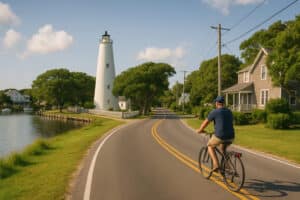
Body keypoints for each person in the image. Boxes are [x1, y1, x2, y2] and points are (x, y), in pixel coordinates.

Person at [196, 96, 235, 174]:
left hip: (220, 136)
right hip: (231, 136)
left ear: (217, 103)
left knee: (210, 146)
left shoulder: (215, 112)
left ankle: (216, 164)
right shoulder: (229, 111)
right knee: (223, 149)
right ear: (224, 103)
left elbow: (205, 122)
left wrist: (200, 130)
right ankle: (228, 167)